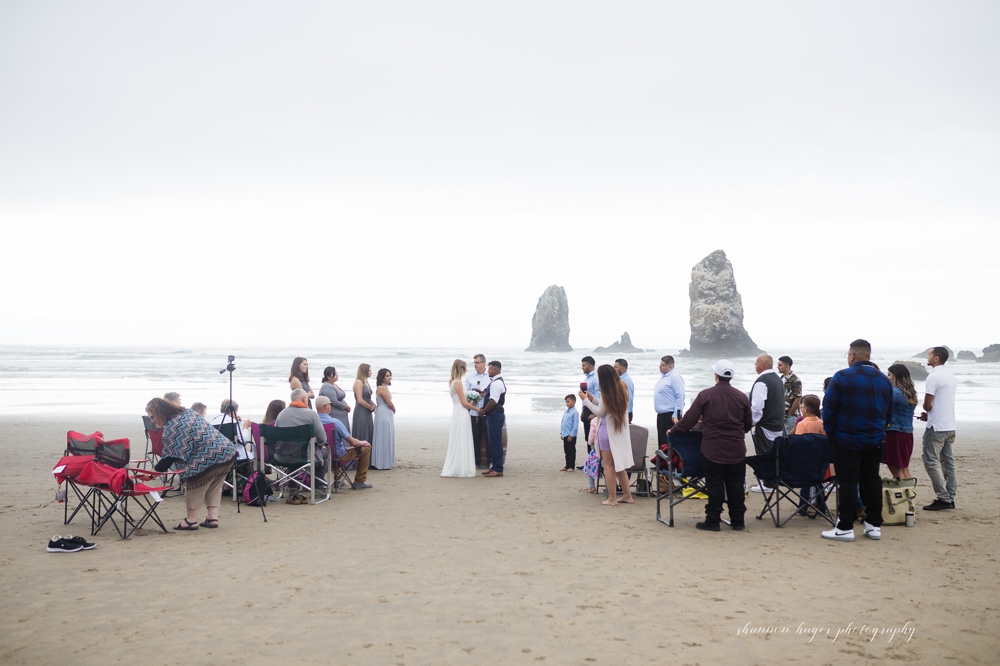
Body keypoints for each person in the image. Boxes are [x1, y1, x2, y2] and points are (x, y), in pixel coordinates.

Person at [820, 339, 893, 542]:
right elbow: (889, 412)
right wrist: (880, 429)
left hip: (846, 438)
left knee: (848, 482)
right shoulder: (884, 379)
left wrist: (831, 432)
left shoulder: (842, 377)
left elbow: (829, 410)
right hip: (874, 438)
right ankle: (873, 525)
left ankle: (845, 526)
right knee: (871, 480)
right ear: (869, 355)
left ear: (851, 356)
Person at [669, 360, 752, 530]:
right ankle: (738, 521)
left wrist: (674, 430)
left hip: (712, 448)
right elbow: (748, 424)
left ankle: (713, 520)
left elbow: (689, 420)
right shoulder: (741, 396)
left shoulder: (705, 395)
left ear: (716, 376)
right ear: (731, 377)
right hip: (736, 448)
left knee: (714, 485)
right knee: (735, 485)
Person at [147, 397, 237, 530]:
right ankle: (212, 518)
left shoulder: (173, 426)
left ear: (160, 412)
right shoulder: (188, 412)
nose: (152, 421)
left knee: (195, 484)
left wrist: (150, 475)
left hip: (208, 457)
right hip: (227, 451)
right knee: (214, 486)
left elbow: (171, 456)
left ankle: (191, 521)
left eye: (152, 417)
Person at [580, 364, 634, 506]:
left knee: (608, 465)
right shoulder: (622, 388)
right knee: (619, 465)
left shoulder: (607, 391)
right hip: (618, 431)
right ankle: (627, 495)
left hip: (606, 431)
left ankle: (612, 498)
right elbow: (606, 406)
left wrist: (585, 400)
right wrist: (592, 399)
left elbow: (599, 412)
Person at [919, 347, 958, 511]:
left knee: (931, 460)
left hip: (936, 426)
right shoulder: (950, 375)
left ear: (936, 358)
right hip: (950, 424)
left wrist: (927, 411)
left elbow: (927, 404)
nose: (927, 357)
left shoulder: (933, 376)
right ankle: (950, 496)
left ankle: (943, 498)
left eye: (929, 354)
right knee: (948, 461)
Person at [274, 389, 330, 486]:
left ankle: (292, 485)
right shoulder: (311, 414)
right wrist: (320, 445)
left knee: (292, 449)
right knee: (325, 452)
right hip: (304, 457)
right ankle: (317, 485)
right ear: (304, 399)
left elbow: (276, 436)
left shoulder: (281, 414)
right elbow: (322, 438)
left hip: (282, 456)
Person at [316, 396, 372, 489]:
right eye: (330, 405)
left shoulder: (313, 422)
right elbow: (353, 442)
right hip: (337, 457)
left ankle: (338, 479)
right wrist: (363, 442)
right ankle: (359, 480)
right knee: (365, 448)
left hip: (319, 456)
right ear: (326, 406)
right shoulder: (335, 422)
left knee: (333, 447)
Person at [749, 355, 784, 495]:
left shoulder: (761, 381)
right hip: (777, 424)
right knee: (773, 454)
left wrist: (751, 422)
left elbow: (757, 407)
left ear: (762, 365)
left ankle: (768, 483)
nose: (755, 364)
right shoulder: (777, 379)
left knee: (764, 454)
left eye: (756, 362)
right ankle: (773, 481)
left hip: (764, 425)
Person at [443, 360, 480, 478]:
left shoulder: (453, 382)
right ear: (461, 369)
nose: (467, 370)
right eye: (465, 367)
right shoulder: (458, 383)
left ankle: (460, 465)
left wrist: (471, 401)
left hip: (458, 411)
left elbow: (462, 400)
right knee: (462, 437)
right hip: (461, 412)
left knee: (460, 437)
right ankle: (461, 467)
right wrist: (476, 409)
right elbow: (463, 403)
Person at [885, 363, 918, 479]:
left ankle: (902, 495)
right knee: (904, 467)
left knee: (896, 470)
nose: (887, 377)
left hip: (894, 433)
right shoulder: (910, 393)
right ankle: (909, 494)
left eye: (889, 375)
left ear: (896, 376)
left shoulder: (895, 392)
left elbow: (883, 408)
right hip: (907, 433)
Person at [478, 361, 507, 477]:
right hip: (494, 415)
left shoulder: (496, 383)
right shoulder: (495, 382)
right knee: (492, 442)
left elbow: (493, 401)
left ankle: (498, 469)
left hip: (495, 415)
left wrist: (483, 410)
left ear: (495, 370)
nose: (487, 371)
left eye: (489, 369)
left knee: (495, 443)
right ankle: (494, 467)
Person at [654, 355, 685, 454]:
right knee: (661, 439)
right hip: (662, 414)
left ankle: (669, 464)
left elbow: (680, 396)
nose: (660, 366)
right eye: (660, 364)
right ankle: (662, 463)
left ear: (670, 367)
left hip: (670, 414)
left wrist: (676, 413)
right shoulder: (664, 377)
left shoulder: (675, 377)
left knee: (668, 440)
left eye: (662, 365)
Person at [464, 354, 491, 469]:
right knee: (475, 436)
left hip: (486, 411)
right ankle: (476, 461)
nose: (475, 365)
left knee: (488, 436)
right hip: (474, 412)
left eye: (477, 362)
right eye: (474, 363)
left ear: (484, 363)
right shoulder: (470, 377)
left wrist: (486, 394)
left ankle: (490, 461)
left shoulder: (490, 376)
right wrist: (470, 400)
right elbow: (465, 393)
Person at [371, 368, 396, 470]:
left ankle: (386, 462)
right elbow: (389, 403)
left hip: (385, 413)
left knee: (386, 436)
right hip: (384, 413)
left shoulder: (384, 387)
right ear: (382, 377)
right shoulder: (382, 388)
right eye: (387, 376)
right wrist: (394, 409)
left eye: (390, 375)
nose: (389, 377)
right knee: (384, 436)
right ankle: (383, 463)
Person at [318, 366, 351, 431]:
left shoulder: (333, 384)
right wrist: (345, 407)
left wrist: (346, 405)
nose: (337, 375)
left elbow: (341, 397)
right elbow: (334, 401)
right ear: (328, 377)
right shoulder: (327, 386)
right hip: (335, 414)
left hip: (341, 414)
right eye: (335, 374)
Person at [777, 356, 803, 435]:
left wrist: (789, 414)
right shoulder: (781, 378)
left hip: (790, 416)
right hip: (781, 415)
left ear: (787, 366)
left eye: (780, 365)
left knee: (790, 440)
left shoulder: (795, 380)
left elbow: (798, 398)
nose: (777, 367)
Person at [352, 363, 376, 444]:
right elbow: (360, 400)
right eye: (369, 370)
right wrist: (370, 407)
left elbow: (368, 397)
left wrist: (373, 404)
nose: (371, 372)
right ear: (364, 371)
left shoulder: (366, 382)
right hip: (361, 411)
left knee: (368, 431)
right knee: (362, 432)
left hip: (367, 412)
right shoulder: (359, 382)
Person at [580, 356, 601, 446]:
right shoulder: (587, 377)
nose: (582, 367)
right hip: (586, 408)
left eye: (584, 365)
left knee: (592, 437)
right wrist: (582, 410)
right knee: (587, 437)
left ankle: (593, 458)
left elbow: (599, 396)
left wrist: (596, 414)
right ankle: (590, 458)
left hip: (593, 409)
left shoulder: (596, 378)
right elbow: (585, 395)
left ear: (591, 366)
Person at [559, 394, 580, 472]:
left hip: (571, 435)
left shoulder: (575, 413)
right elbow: (562, 422)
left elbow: (575, 426)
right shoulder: (566, 412)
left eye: (568, 401)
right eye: (566, 402)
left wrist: (571, 435)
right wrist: (561, 432)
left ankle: (571, 466)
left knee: (571, 450)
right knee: (566, 451)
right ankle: (567, 465)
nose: (567, 403)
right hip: (565, 434)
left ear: (573, 402)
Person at [614, 358, 635, 423]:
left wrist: (623, 414)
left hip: (624, 414)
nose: (613, 369)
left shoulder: (626, 381)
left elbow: (629, 398)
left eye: (615, 367)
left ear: (622, 369)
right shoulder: (619, 379)